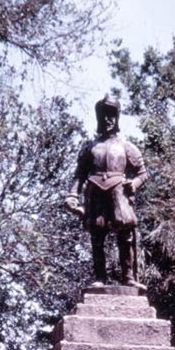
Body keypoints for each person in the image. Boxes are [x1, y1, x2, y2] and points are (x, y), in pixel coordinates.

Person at [64, 94, 147, 288]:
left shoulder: (127, 147)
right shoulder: (89, 148)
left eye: (111, 115)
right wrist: (72, 195)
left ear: (117, 117)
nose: (107, 119)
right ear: (98, 118)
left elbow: (143, 173)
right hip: (95, 191)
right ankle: (100, 278)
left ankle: (128, 278)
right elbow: (79, 175)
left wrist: (133, 184)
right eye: (103, 115)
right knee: (97, 235)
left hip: (119, 192)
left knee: (125, 233)